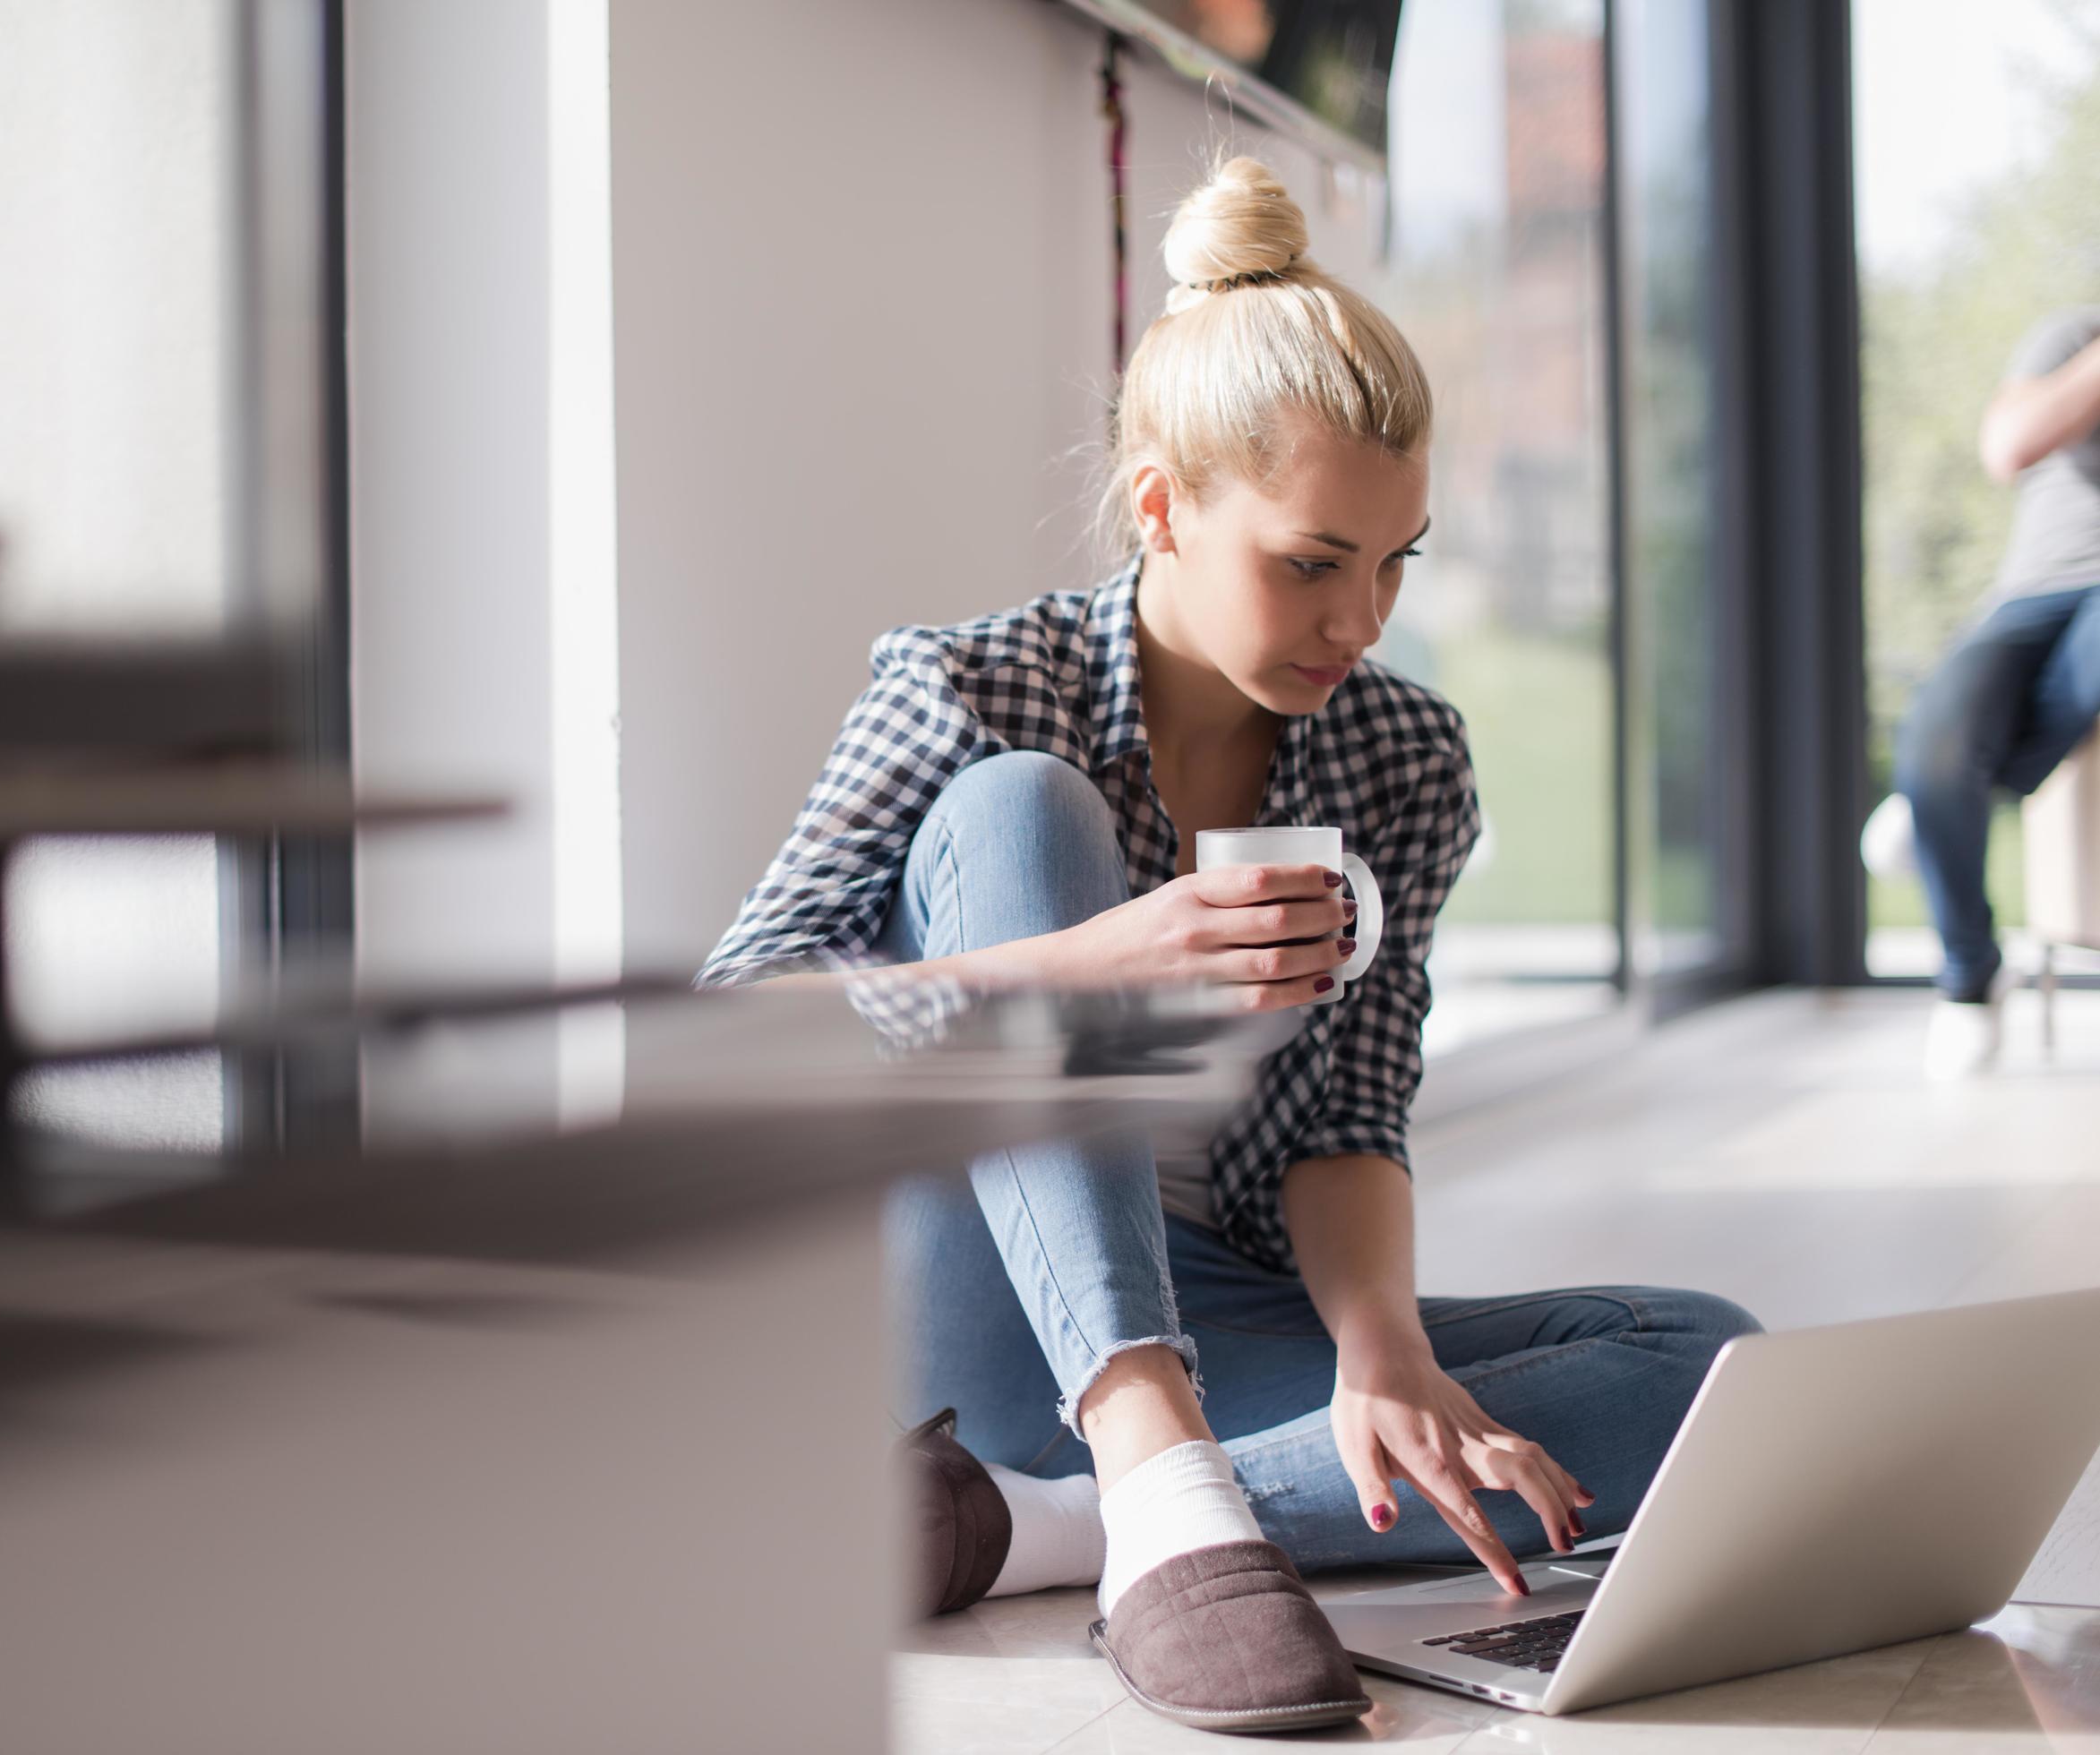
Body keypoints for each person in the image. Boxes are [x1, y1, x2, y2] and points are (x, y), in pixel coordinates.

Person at [697, 158, 1756, 1734]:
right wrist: (1095, 961)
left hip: (1218, 1306)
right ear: (1163, 507)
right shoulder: (977, 688)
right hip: (957, 1289)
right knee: (1019, 810)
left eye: (1395, 561)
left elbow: (1347, 1123)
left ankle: (1031, 1527)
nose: (1361, 622)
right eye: (1312, 564)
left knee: (1696, 1363)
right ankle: (1149, 1474)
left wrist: (1381, 1355)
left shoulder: (1400, 757)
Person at [1864, 307, 2100, 1078]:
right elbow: (2007, 447)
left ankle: (1950, 809)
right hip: (2031, 594)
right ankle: (1969, 975)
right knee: (1934, 747)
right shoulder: (2073, 337)